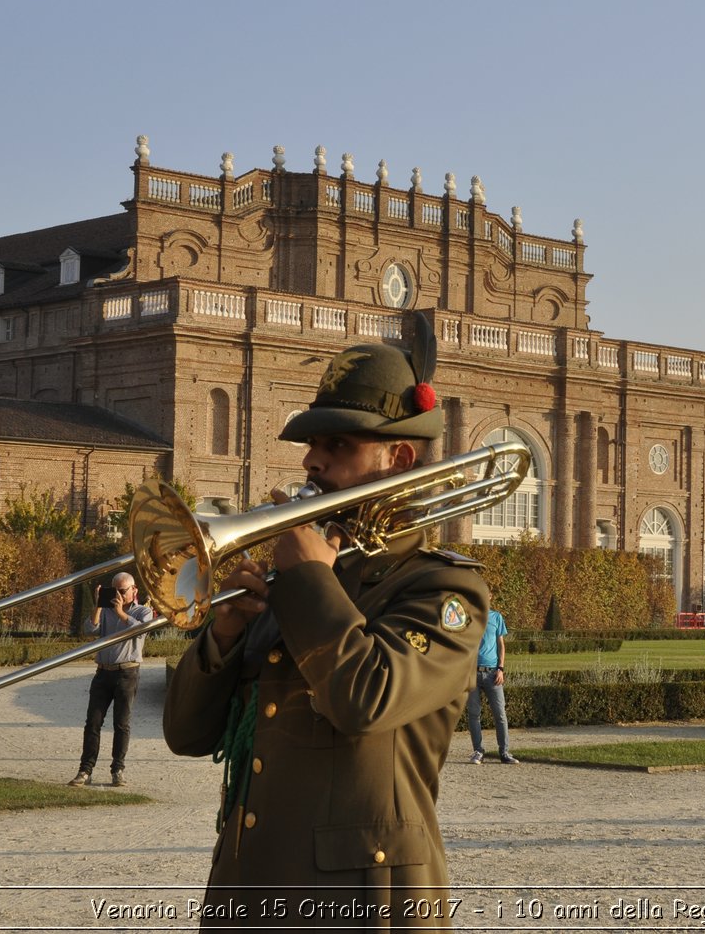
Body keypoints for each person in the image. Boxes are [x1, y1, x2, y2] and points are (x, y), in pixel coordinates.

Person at [163, 319, 489, 928]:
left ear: (397, 458)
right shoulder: (295, 584)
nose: (312, 461)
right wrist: (224, 635)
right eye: (313, 446)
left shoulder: (443, 587)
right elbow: (188, 735)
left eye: (337, 445)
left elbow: (366, 699)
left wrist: (310, 580)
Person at [69, 572, 153, 787]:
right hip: (103, 672)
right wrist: (98, 605)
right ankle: (85, 770)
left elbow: (140, 631)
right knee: (93, 723)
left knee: (121, 724)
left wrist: (120, 613)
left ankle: (118, 770)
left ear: (134, 591)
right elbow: (89, 629)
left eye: (122, 591)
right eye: (113, 590)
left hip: (127, 673)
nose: (117, 595)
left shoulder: (143, 611)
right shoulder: (105, 610)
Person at [466, 603, 517, 764]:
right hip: (472, 672)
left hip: (492, 673)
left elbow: (501, 645)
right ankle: (478, 751)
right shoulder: (468, 617)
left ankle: (504, 752)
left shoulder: (496, 617)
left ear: (489, 597)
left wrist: (501, 668)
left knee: (500, 714)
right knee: (474, 714)